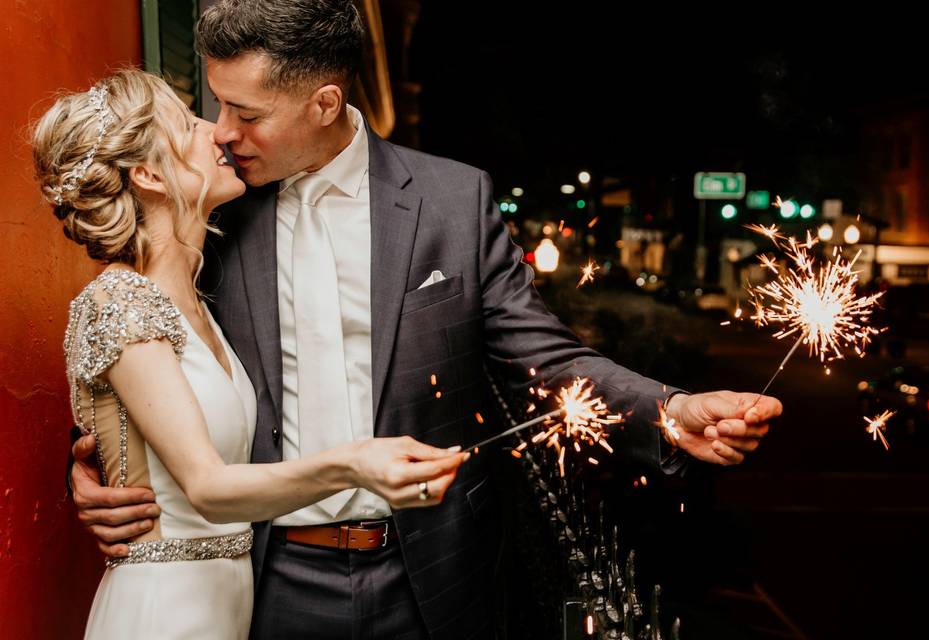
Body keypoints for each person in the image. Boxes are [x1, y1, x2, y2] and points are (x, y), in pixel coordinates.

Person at [71, 2, 783, 638]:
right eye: (217, 106)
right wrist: (94, 461)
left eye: (246, 113)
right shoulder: (212, 213)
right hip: (267, 579)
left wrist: (672, 408)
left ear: (323, 103)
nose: (224, 133)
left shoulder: (453, 200)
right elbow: (145, 344)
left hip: (432, 579)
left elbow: (546, 361)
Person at [35, 68, 466, 639]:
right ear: (145, 174)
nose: (216, 133)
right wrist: (353, 463)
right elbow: (205, 484)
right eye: (190, 123)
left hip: (234, 608)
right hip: (166, 613)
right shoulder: (118, 300)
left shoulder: (199, 295)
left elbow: (148, 420)